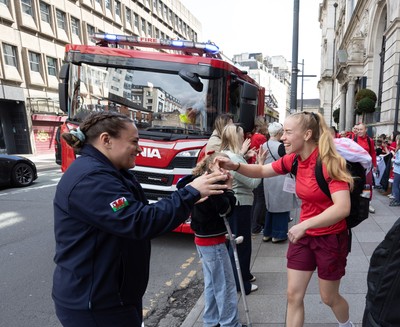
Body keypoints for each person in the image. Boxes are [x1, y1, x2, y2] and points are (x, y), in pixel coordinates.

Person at [52, 111, 229, 327]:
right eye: (134, 141)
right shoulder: (91, 178)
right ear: (106, 140)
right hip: (96, 305)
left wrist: (195, 192)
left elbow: (142, 213)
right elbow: (140, 222)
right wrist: (190, 194)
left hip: (114, 297)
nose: (140, 148)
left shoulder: (111, 172)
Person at [215, 112, 355, 327]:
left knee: (329, 298)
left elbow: (342, 207)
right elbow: (262, 169)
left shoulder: (329, 162)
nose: (283, 138)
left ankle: (347, 324)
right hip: (304, 238)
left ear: (307, 134)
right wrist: (235, 166)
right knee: (293, 296)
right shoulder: (294, 160)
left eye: (289, 132)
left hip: (330, 238)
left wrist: (305, 224)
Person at [177, 151, 246, 327]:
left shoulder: (199, 180)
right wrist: (229, 189)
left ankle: (211, 320)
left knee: (212, 283)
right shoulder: (213, 185)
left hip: (203, 239)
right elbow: (225, 210)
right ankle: (229, 323)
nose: (226, 172)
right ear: (212, 165)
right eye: (223, 167)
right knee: (225, 285)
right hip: (212, 241)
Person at [220, 124, 260, 295]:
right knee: (240, 245)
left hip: (237, 204)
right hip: (240, 204)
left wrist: (244, 155)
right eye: (242, 135)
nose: (245, 138)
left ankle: (243, 275)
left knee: (238, 243)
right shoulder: (233, 158)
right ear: (236, 137)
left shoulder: (229, 155)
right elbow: (253, 183)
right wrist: (260, 164)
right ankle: (239, 283)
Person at [262, 122, 298, 243]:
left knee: (270, 207)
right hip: (279, 178)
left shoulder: (264, 144)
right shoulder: (281, 147)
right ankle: (278, 234)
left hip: (267, 178)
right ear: (278, 133)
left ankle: (267, 232)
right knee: (281, 207)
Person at [354, 123, 377, 213]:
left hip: (367, 167)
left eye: (361, 129)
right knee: (357, 184)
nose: (359, 131)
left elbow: (373, 153)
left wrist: (374, 165)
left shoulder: (369, 140)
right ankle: (357, 203)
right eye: (358, 130)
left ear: (365, 130)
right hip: (356, 167)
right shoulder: (354, 139)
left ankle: (368, 203)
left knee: (368, 185)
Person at [390, 134, 400, 206]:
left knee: (395, 185)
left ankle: (397, 200)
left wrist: (393, 160)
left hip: (398, 170)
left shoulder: (399, 150)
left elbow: (399, 161)